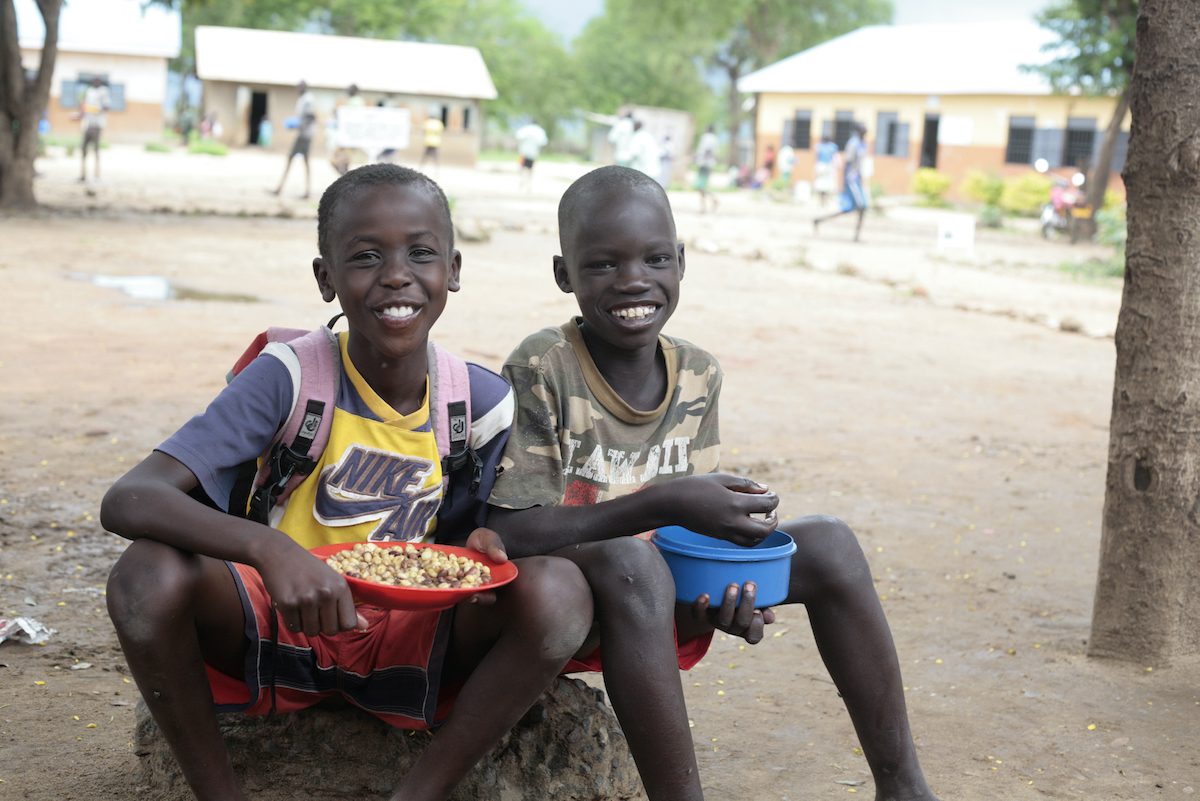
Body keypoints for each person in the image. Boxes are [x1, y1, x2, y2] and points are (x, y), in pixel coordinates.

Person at [102, 163, 595, 801]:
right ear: (325, 278)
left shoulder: (479, 403)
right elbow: (131, 498)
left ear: (454, 268)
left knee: (559, 593)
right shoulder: (288, 377)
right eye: (366, 257)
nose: (396, 275)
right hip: (277, 617)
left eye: (421, 253)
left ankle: (419, 791)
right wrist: (269, 549)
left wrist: (484, 554)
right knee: (146, 575)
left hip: (413, 638)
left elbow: (489, 532)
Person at [486, 165, 940, 801]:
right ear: (565, 275)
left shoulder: (697, 373)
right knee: (630, 562)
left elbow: (683, 533)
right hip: (572, 600)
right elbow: (511, 531)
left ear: (681, 261)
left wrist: (725, 580)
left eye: (655, 258)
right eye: (603, 265)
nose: (633, 280)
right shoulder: (543, 365)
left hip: (657, 592)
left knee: (831, 544)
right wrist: (664, 502)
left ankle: (905, 787)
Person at [813, 122, 870, 242]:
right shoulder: (853, 144)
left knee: (852, 208)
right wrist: (844, 183)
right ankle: (856, 237)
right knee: (861, 206)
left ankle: (819, 221)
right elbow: (847, 163)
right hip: (851, 180)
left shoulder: (862, 144)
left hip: (857, 179)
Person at [272, 80, 317, 199]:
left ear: (304, 87)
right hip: (303, 134)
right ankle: (305, 190)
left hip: (305, 135)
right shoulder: (302, 99)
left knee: (292, 158)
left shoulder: (308, 100)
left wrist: (298, 125)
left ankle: (280, 188)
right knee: (303, 161)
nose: (298, 89)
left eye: (300, 87)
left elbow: (311, 117)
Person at [77, 77, 110, 184]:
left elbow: (106, 107)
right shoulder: (89, 92)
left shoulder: (104, 92)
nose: (95, 82)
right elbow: (83, 108)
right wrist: (80, 114)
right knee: (83, 150)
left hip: (97, 125)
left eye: (97, 81)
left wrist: (95, 109)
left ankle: (97, 175)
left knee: (96, 150)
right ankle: (83, 175)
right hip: (87, 124)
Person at [330, 83, 366, 176]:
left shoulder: (357, 101)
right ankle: (346, 178)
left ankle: (346, 178)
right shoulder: (351, 100)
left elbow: (352, 116)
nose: (347, 91)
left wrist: (339, 112)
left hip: (349, 135)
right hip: (346, 135)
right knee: (342, 161)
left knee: (337, 159)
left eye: (349, 89)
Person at [514, 119, 548, 193]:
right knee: (530, 169)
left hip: (524, 152)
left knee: (522, 168)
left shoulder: (525, 129)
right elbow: (543, 142)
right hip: (533, 153)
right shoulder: (540, 131)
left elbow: (518, 137)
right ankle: (529, 184)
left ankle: (522, 180)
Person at [693, 125, 719, 214]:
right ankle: (705, 206)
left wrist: (699, 157)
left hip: (704, 163)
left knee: (701, 186)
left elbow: (707, 150)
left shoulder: (707, 138)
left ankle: (711, 202)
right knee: (702, 186)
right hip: (708, 163)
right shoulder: (714, 138)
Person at [813, 134, 840, 206]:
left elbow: (816, 157)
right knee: (827, 184)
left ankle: (822, 201)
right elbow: (836, 157)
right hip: (828, 166)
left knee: (822, 183)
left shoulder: (819, 146)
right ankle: (825, 201)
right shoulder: (832, 146)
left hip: (822, 166)